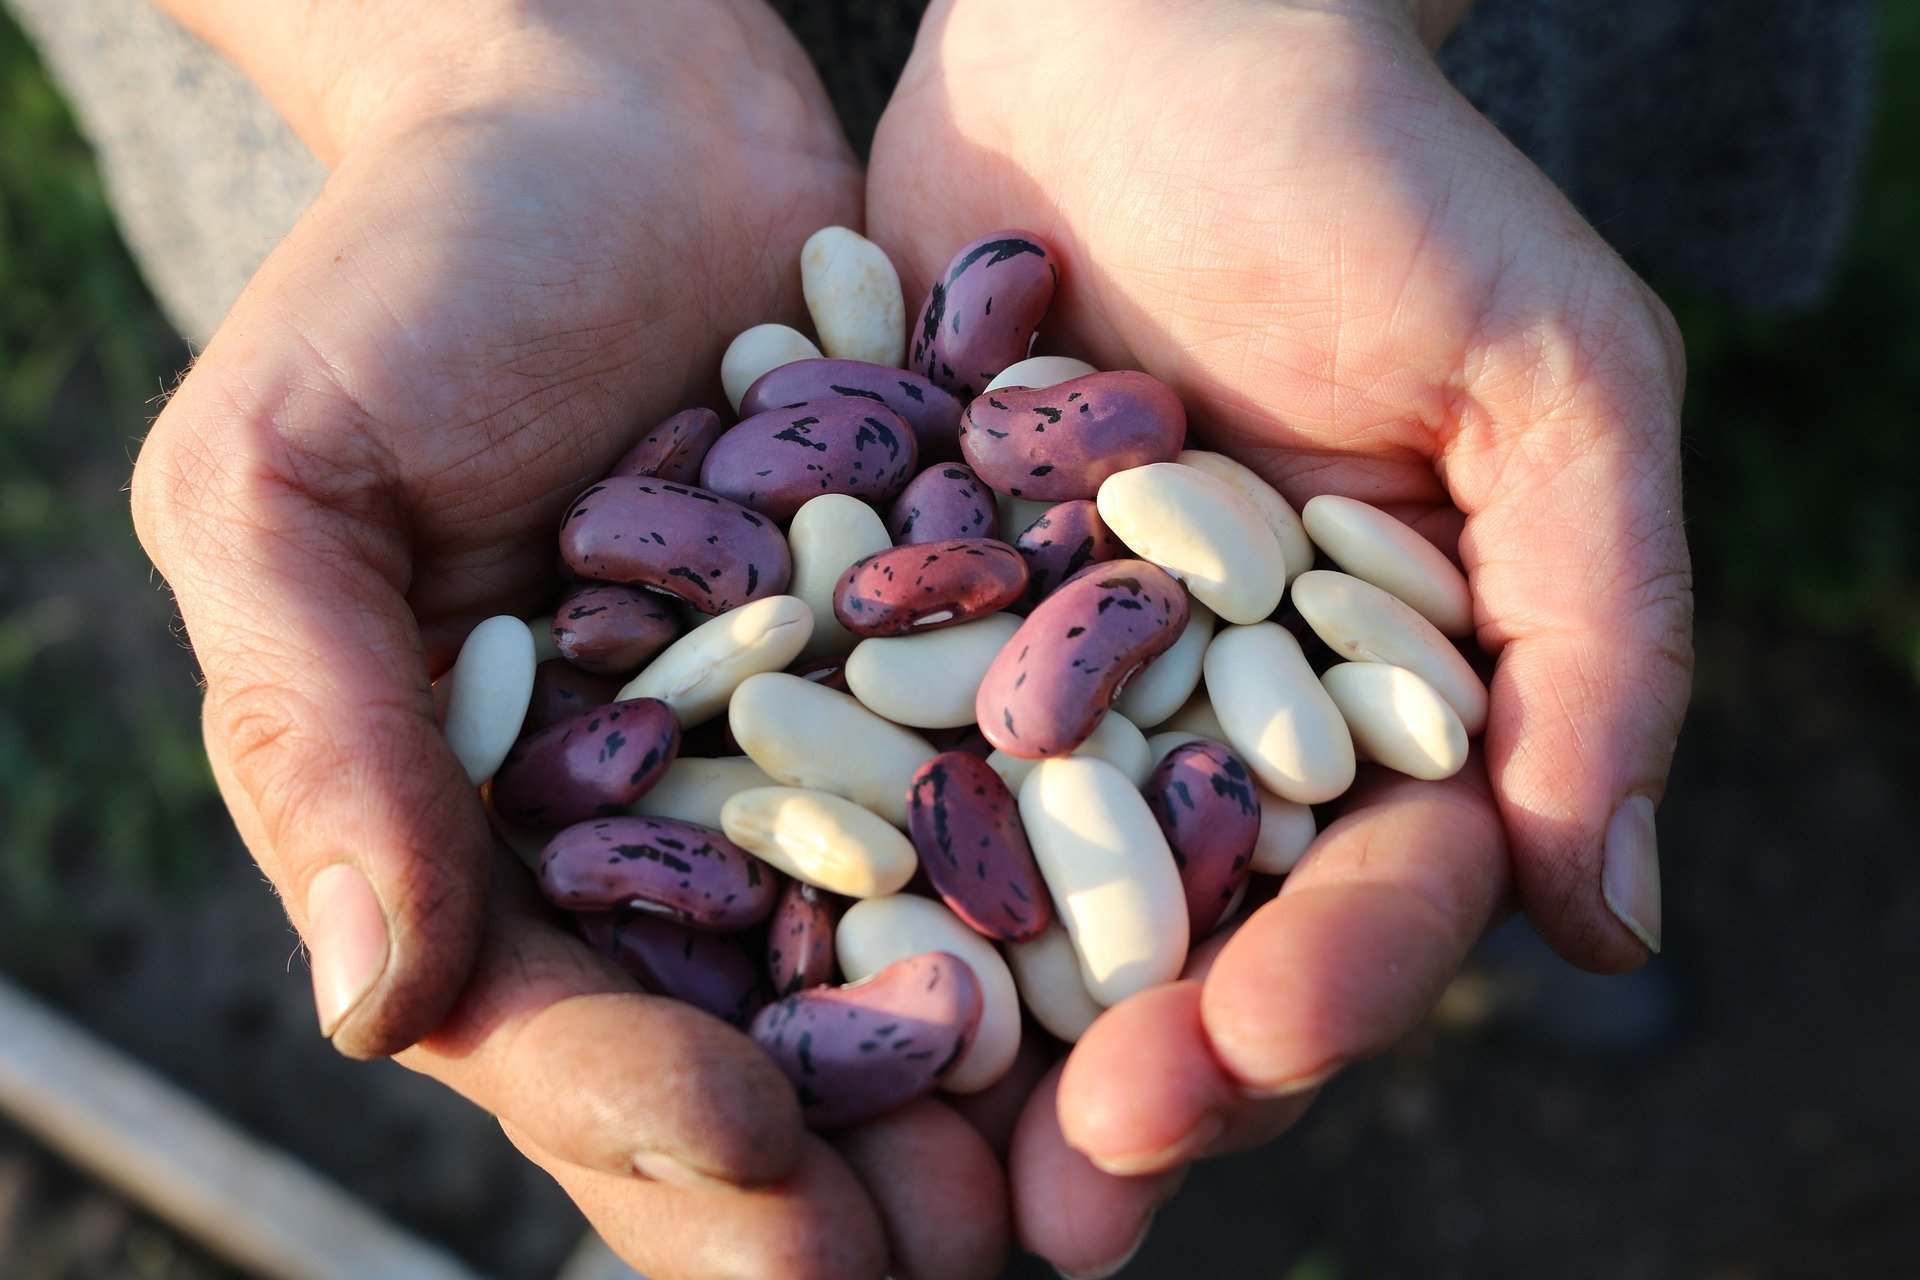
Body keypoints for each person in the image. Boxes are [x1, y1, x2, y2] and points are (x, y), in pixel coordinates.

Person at [9, 0, 1868, 1275]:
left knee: (1481, 721)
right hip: (461, 114)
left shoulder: (1017, 527)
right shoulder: (801, 544)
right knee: (1254, 908)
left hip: (1319, 121)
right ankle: (1511, 911)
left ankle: (1526, 915)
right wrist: (481, 49)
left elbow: (1003, 654)